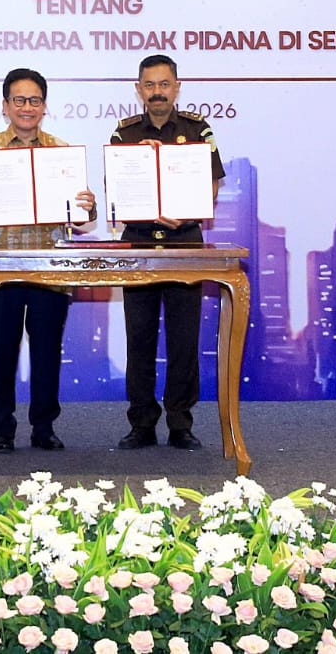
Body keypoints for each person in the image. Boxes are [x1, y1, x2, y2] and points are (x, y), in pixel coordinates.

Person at [0, 67, 95, 452]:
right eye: (19, 100)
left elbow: (82, 213)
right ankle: (2, 430)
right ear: (5, 106)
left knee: (47, 351)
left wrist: (87, 206)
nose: (27, 107)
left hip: (50, 269)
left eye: (34, 100)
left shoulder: (61, 152)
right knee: (3, 351)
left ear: (44, 106)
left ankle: (44, 428)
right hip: (1, 269)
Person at [109, 54, 224, 451]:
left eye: (164, 84)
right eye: (149, 85)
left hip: (184, 243)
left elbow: (211, 184)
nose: (157, 92)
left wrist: (185, 211)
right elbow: (117, 190)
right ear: (138, 89)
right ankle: (141, 423)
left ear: (177, 87)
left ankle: (180, 423)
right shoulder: (124, 134)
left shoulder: (197, 129)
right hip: (139, 243)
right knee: (139, 337)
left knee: (183, 339)